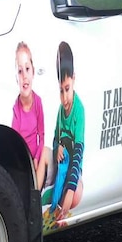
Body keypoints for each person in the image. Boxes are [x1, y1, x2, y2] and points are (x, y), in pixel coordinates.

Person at [40, 41, 85, 222]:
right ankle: (43, 202)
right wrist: (57, 146)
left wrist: (72, 185)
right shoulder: (61, 109)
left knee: (71, 192)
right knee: (48, 162)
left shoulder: (78, 110)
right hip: (60, 160)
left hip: (71, 163)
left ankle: (57, 206)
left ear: (73, 79)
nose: (65, 98)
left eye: (67, 89)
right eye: (61, 91)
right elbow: (55, 136)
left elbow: (78, 152)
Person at [11, 42, 46, 183]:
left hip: (36, 157)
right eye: (20, 71)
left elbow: (41, 135)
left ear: (33, 72)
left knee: (44, 155)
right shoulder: (16, 108)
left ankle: (36, 198)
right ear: (16, 77)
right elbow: (14, 142)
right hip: (22, 159)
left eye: (27, 69)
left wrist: (37, 157)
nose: (24, 76)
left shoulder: (37, 102)